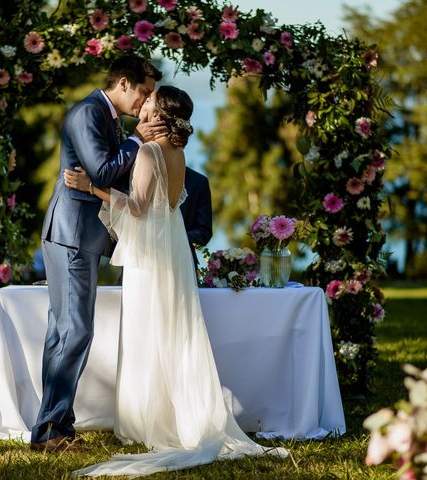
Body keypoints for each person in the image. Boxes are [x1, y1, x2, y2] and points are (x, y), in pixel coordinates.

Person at [63, 86, 288, 476]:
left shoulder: (150, 152)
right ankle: (169, 413)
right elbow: (165, 208)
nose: (143, 103)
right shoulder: (178, 153)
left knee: (149, 331)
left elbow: (136, 209)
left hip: (151, 259)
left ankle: (152, 420)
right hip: (172, 252)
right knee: (172, 330)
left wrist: (92, 188)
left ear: (160, 111)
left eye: (149, 101)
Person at [30, 56, 165, 452]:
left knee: (63, 331)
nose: (145, 102)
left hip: (80, 235)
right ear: (123, 83)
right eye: (143, 92)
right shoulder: (88, 113)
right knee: (75, 330)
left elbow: (109, 177)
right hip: (72, 233)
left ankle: (57, 426)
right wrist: (138, 139)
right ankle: (50, 430)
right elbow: (103, 171)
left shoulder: (108, 118)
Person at [181, 167, 213, 268]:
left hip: (183, 263)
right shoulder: (144, 173)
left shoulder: (198, 181)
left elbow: (204, 232)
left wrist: (176, 237)